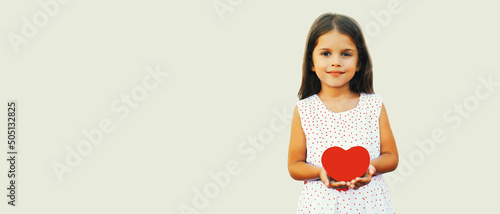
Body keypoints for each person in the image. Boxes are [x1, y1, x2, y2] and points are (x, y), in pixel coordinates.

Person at [287, 13, 399, 213]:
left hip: (370, 205)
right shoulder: (305, 110)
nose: (336, 61)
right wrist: (322, 172)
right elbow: (295, 165)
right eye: (325, 53)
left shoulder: (373, 105)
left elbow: (391, 156)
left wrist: (370, 168)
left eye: (346, 54)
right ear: (311, 62)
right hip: (321, 206)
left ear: (359, 62)